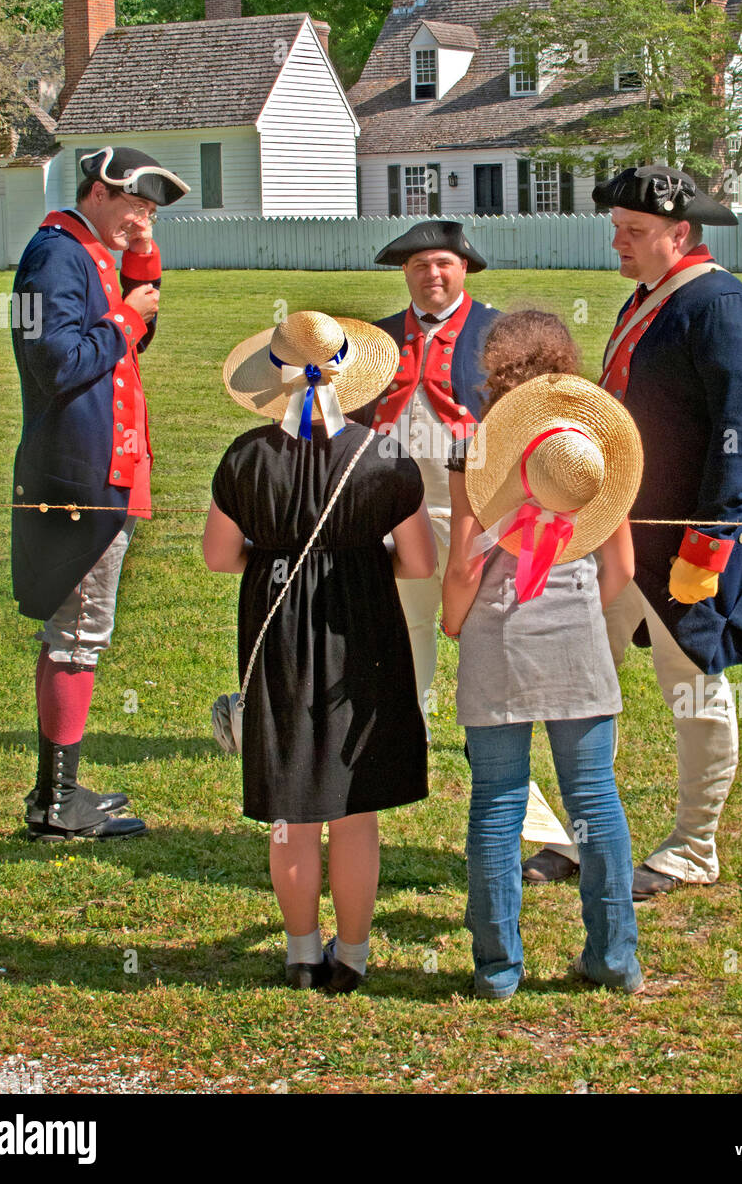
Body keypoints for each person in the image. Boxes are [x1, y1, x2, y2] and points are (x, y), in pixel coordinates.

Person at [524, 165, 742, 899]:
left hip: (684, 542)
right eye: (617, 228)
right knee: (576, 680)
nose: (617, 243)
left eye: (633, 232)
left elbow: (741, 437)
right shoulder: (652, 300)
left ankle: (693, 846)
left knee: (694, 691)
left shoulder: (722, 307)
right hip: (617, 536)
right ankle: (575, 834)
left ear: (680, 233)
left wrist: (710, 543)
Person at [204, 310, 436, 991]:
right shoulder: (385, 457)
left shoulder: (245, 457)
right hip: (362, 638)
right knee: (354, 810)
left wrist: (277, 558)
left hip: (276, 637)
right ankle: (355, 957)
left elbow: (221, 557)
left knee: (292, 810)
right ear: (350, 374)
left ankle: (302, 952)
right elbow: (419, 562)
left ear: (274, 377)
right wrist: (356, 564)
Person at [441, 311, 645, 999]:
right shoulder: (589, 453)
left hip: (498, 634)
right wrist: (581, 607)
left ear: (496, 369)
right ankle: (614, 958)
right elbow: (620, 567)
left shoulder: (479, 451)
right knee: (594, 798)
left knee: (496, 803)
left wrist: (451, 623)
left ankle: (497, 968)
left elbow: (463, 567)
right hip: (577, 636)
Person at [11, 145, 189, 841]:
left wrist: (140, 271)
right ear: (96, 191)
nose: (140, 221)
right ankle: (55, 806)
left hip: (104, 466)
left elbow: (131, 341)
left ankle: (57, 789)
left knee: (78, 632)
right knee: (77, 634)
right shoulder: (56, 254)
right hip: (76, 472)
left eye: (149, 212)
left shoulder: (88, 253)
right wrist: (125, 319)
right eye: (134, 207)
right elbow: (55, 361)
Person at [352, 220, 500, 726]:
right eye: (419, 265)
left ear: (464, 269)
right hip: (392, 503)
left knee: (484, 622)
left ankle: (488, 729)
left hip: (475, 502)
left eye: (442, 264)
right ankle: (406, 726)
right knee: (404, 619)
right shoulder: (379, 338)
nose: (431, 274)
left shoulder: (498, 332)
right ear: (405, 273)